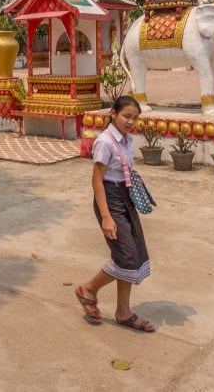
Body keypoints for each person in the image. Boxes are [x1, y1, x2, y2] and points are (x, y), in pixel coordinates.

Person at [74, 95, 154, 332]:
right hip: (109, 199)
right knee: (126, 256)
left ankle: (123, 312)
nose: (130, 122)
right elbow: (97, 180)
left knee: (132, 254)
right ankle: (88, 289)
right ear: (113, 114)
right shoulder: (105, 142)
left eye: (134, 118)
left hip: (125, 197)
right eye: (126, 116)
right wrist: (106, 216)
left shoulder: (127, 140)